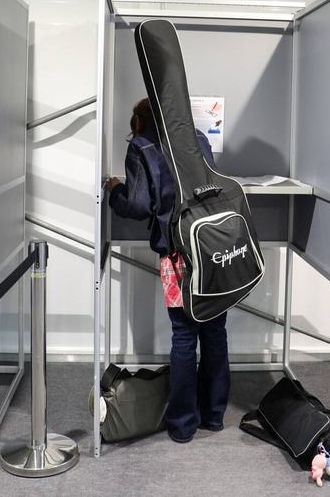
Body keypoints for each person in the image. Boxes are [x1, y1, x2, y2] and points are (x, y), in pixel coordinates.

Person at [104, 98, 229, 443]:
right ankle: (215, 417)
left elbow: (139, 204)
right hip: (212, 247)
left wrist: (115, 190)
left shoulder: (143, 146)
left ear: (141, 121)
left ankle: (183, 425)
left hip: (177, 253)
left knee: (185, 336)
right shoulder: (198, 138)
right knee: (215, 332)